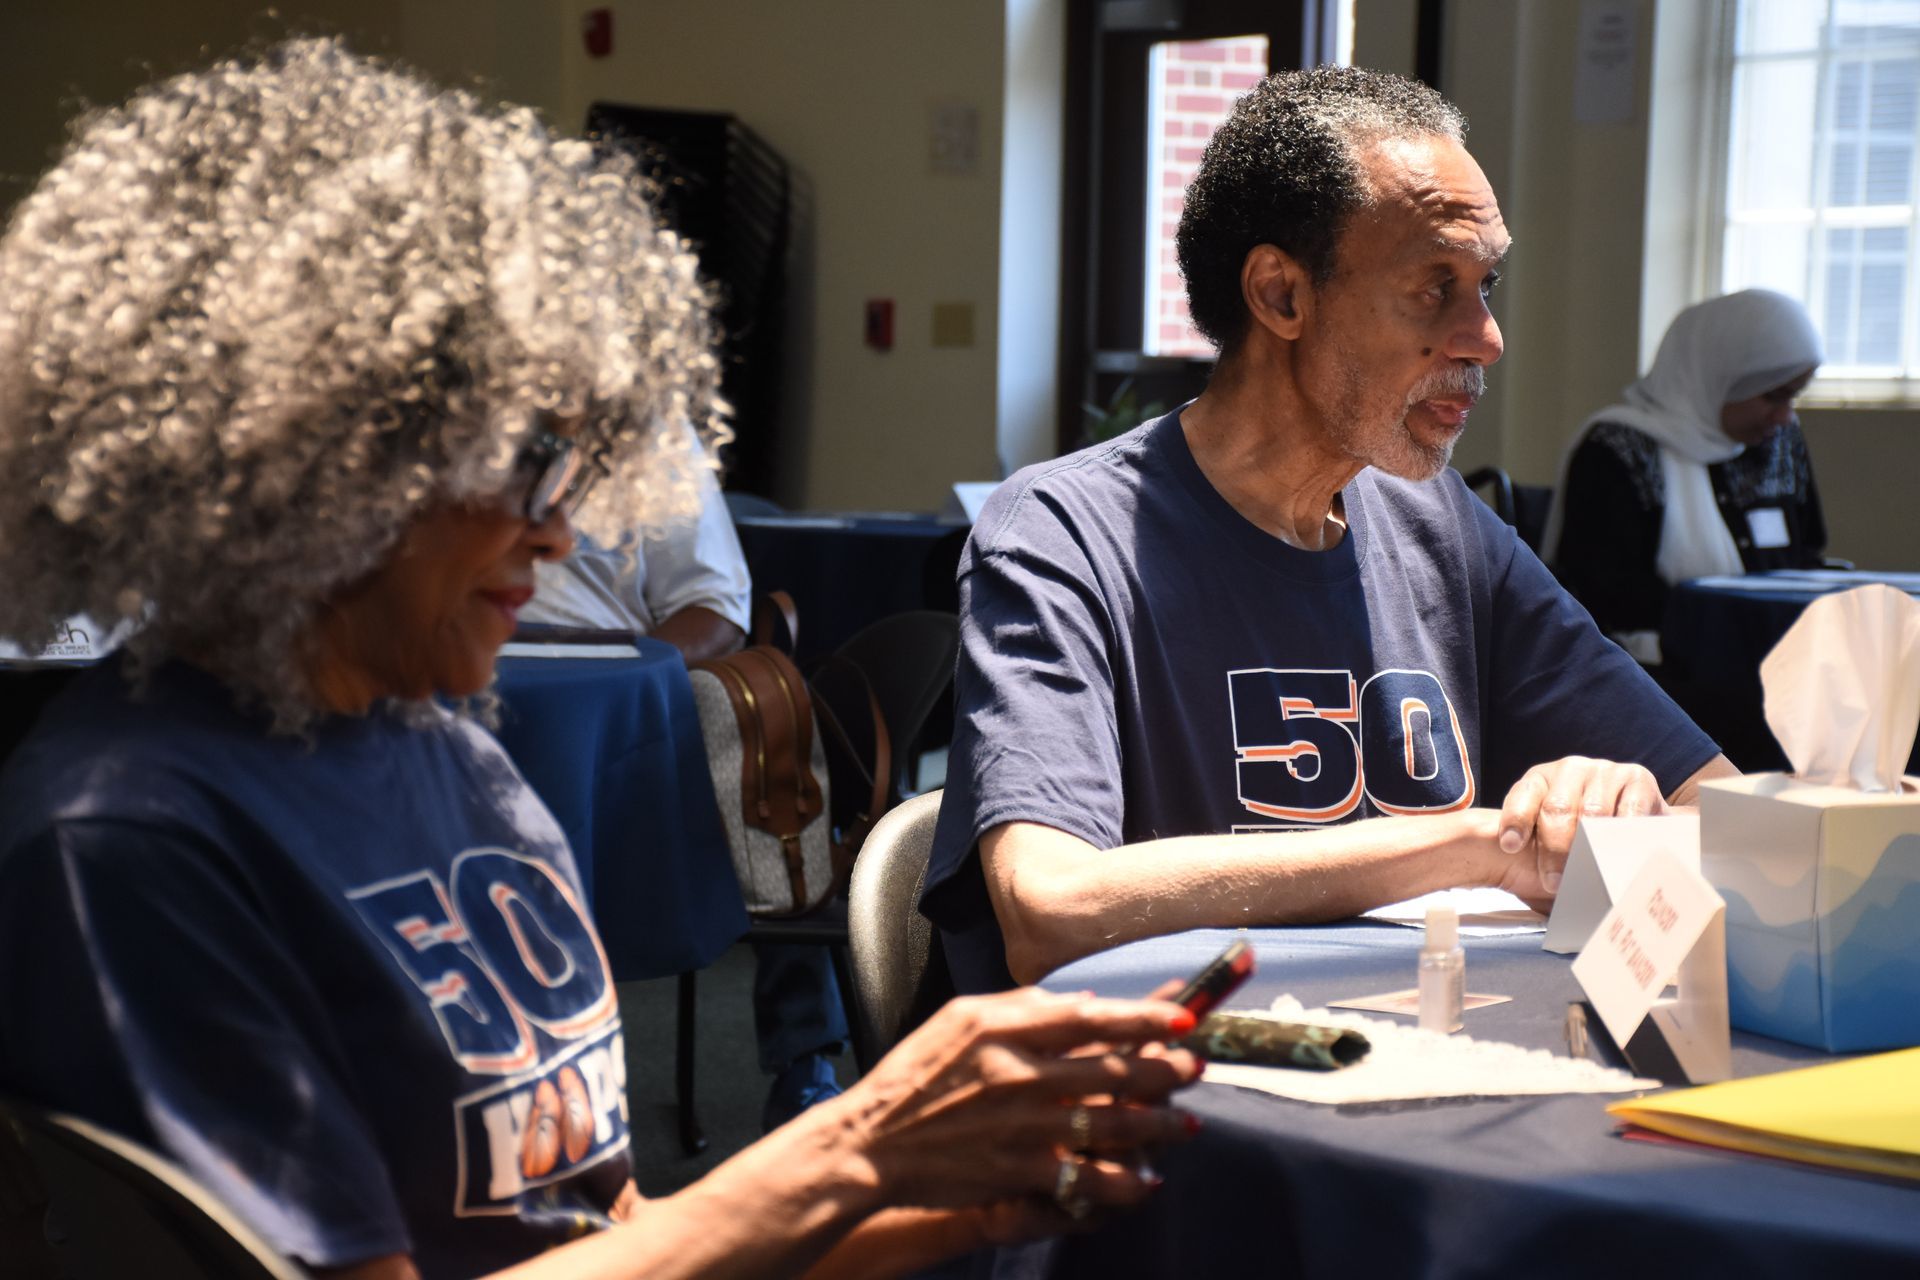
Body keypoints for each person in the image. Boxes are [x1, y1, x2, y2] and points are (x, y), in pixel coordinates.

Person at [0, 41, 1201, 1279]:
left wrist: (983, 1191)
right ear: (314, 462)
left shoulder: (453, 759)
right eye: (527, 462)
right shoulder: (132, 845)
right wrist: (855, 1143)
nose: (565, 527)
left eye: (578, 467)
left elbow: (612, 1232)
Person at [920, 66, 1737, 995]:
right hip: (1175, 1100)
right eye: (1434, 288)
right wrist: (1477, 845)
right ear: (1281, 297)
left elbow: (1714, 807)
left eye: (1487, 283)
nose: (1486, 336)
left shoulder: (1444, 529)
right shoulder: (1068, 533)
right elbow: (1050, 910)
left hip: (1419, 1059)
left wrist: (1612, 801)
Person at [522, 466, 849, 1132]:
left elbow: (718, 609)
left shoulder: (649, 424)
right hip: (448, 687)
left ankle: (804, 1060)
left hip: (620, 704)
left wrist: (632, 680)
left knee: (767, 779)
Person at [1546, 289, 1827, 659]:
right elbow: (1602, 592)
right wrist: (1728, 622)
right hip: (1660, 672)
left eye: (1795, 397)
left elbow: (1807, 554)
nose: (1786, 416)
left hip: (1778, 657)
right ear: (1719, 378)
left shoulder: (1779, 442)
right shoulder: (1621, 448)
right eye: (1774, 396)